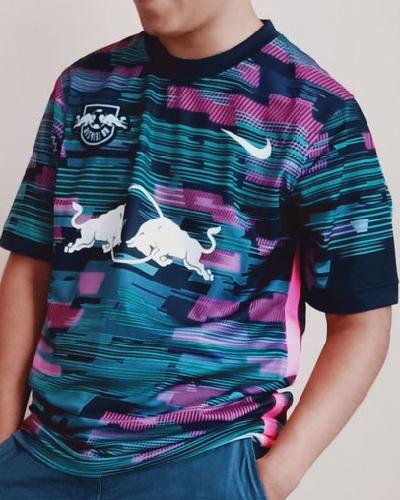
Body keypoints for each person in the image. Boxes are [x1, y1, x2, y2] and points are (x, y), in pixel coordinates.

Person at [0, 0, 398, 499]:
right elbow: (32, 265)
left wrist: (273, 478)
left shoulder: (318, 114)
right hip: (43, 454)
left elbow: (362, 321)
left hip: (204, 460)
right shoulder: (82, 86)